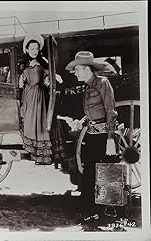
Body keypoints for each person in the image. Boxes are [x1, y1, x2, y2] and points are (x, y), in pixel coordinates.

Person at [65, 51, 118, 222]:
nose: (76, 73)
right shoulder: (87, 88)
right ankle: (90, 211)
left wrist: (110, 138)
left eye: (77, 70)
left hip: (104, 136)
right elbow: (91, 114)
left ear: (86, 69)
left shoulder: (103, 83)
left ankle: (108, 213)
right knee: (88, 172)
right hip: (92, 134)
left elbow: (111, 111)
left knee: (105, 172)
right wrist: (80, 122)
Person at [18, 33, 53, 165]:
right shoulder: (23, 64)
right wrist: (21, 79)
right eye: (32, 49)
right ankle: (33, 153)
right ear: (27, 49)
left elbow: (47, 78)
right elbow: (21, 83)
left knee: (40, 122)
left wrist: (50, 80)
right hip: (28, 95)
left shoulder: (43, 62)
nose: (34, 51)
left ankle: (42, 156)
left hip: (39, 95)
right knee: (29, 122)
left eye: (36, 49)